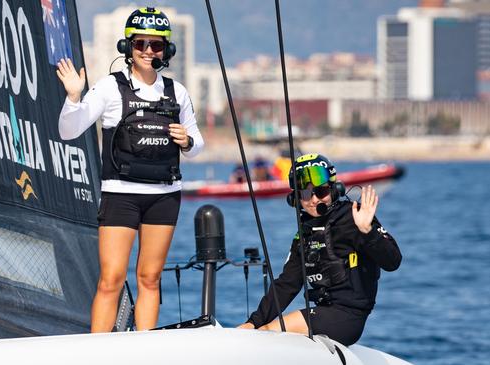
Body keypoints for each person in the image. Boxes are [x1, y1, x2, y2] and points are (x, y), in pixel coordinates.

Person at [57, 7, 203, 332]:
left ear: (168, 50)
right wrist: (72, 96)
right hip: (120, 195)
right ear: (128, 47)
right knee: (111, 279)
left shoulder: (177, 92)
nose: (149, 51)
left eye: (157, 45)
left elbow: (198, 145)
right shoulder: (110, 87)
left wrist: (188, 140)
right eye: (141, 44)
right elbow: (69, 130)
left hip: (164, 196)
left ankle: (143, 349)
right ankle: (98, 352)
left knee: (150, 278)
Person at [239, 153, 401, 346]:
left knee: (267, 332)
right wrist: (253, 322)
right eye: (306, 194)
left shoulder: (354, 217)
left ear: (334, 190)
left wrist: (368, 231)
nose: (314, 200)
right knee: (260, 329)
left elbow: (393, 262)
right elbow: (287, 284)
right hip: (324, 312)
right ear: (296, 198)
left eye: (321, 191)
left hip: (348, 317)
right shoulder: (304, 234)